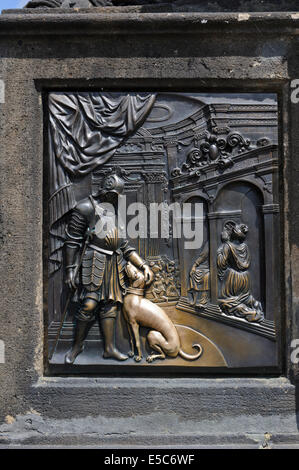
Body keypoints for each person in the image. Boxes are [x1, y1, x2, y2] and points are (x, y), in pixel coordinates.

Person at [64, 173, 154, 364]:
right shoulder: (85, 208)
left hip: (113, 264)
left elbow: (125, 246)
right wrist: (70, 270)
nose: (115, 199)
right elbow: (72, 241)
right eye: (114, 195)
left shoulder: (114, 213)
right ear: (105, 192)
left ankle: (109, 349)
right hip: (93, 260)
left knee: (110, 306)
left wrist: (143, 265)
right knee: (89, 304)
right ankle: (77, 346)